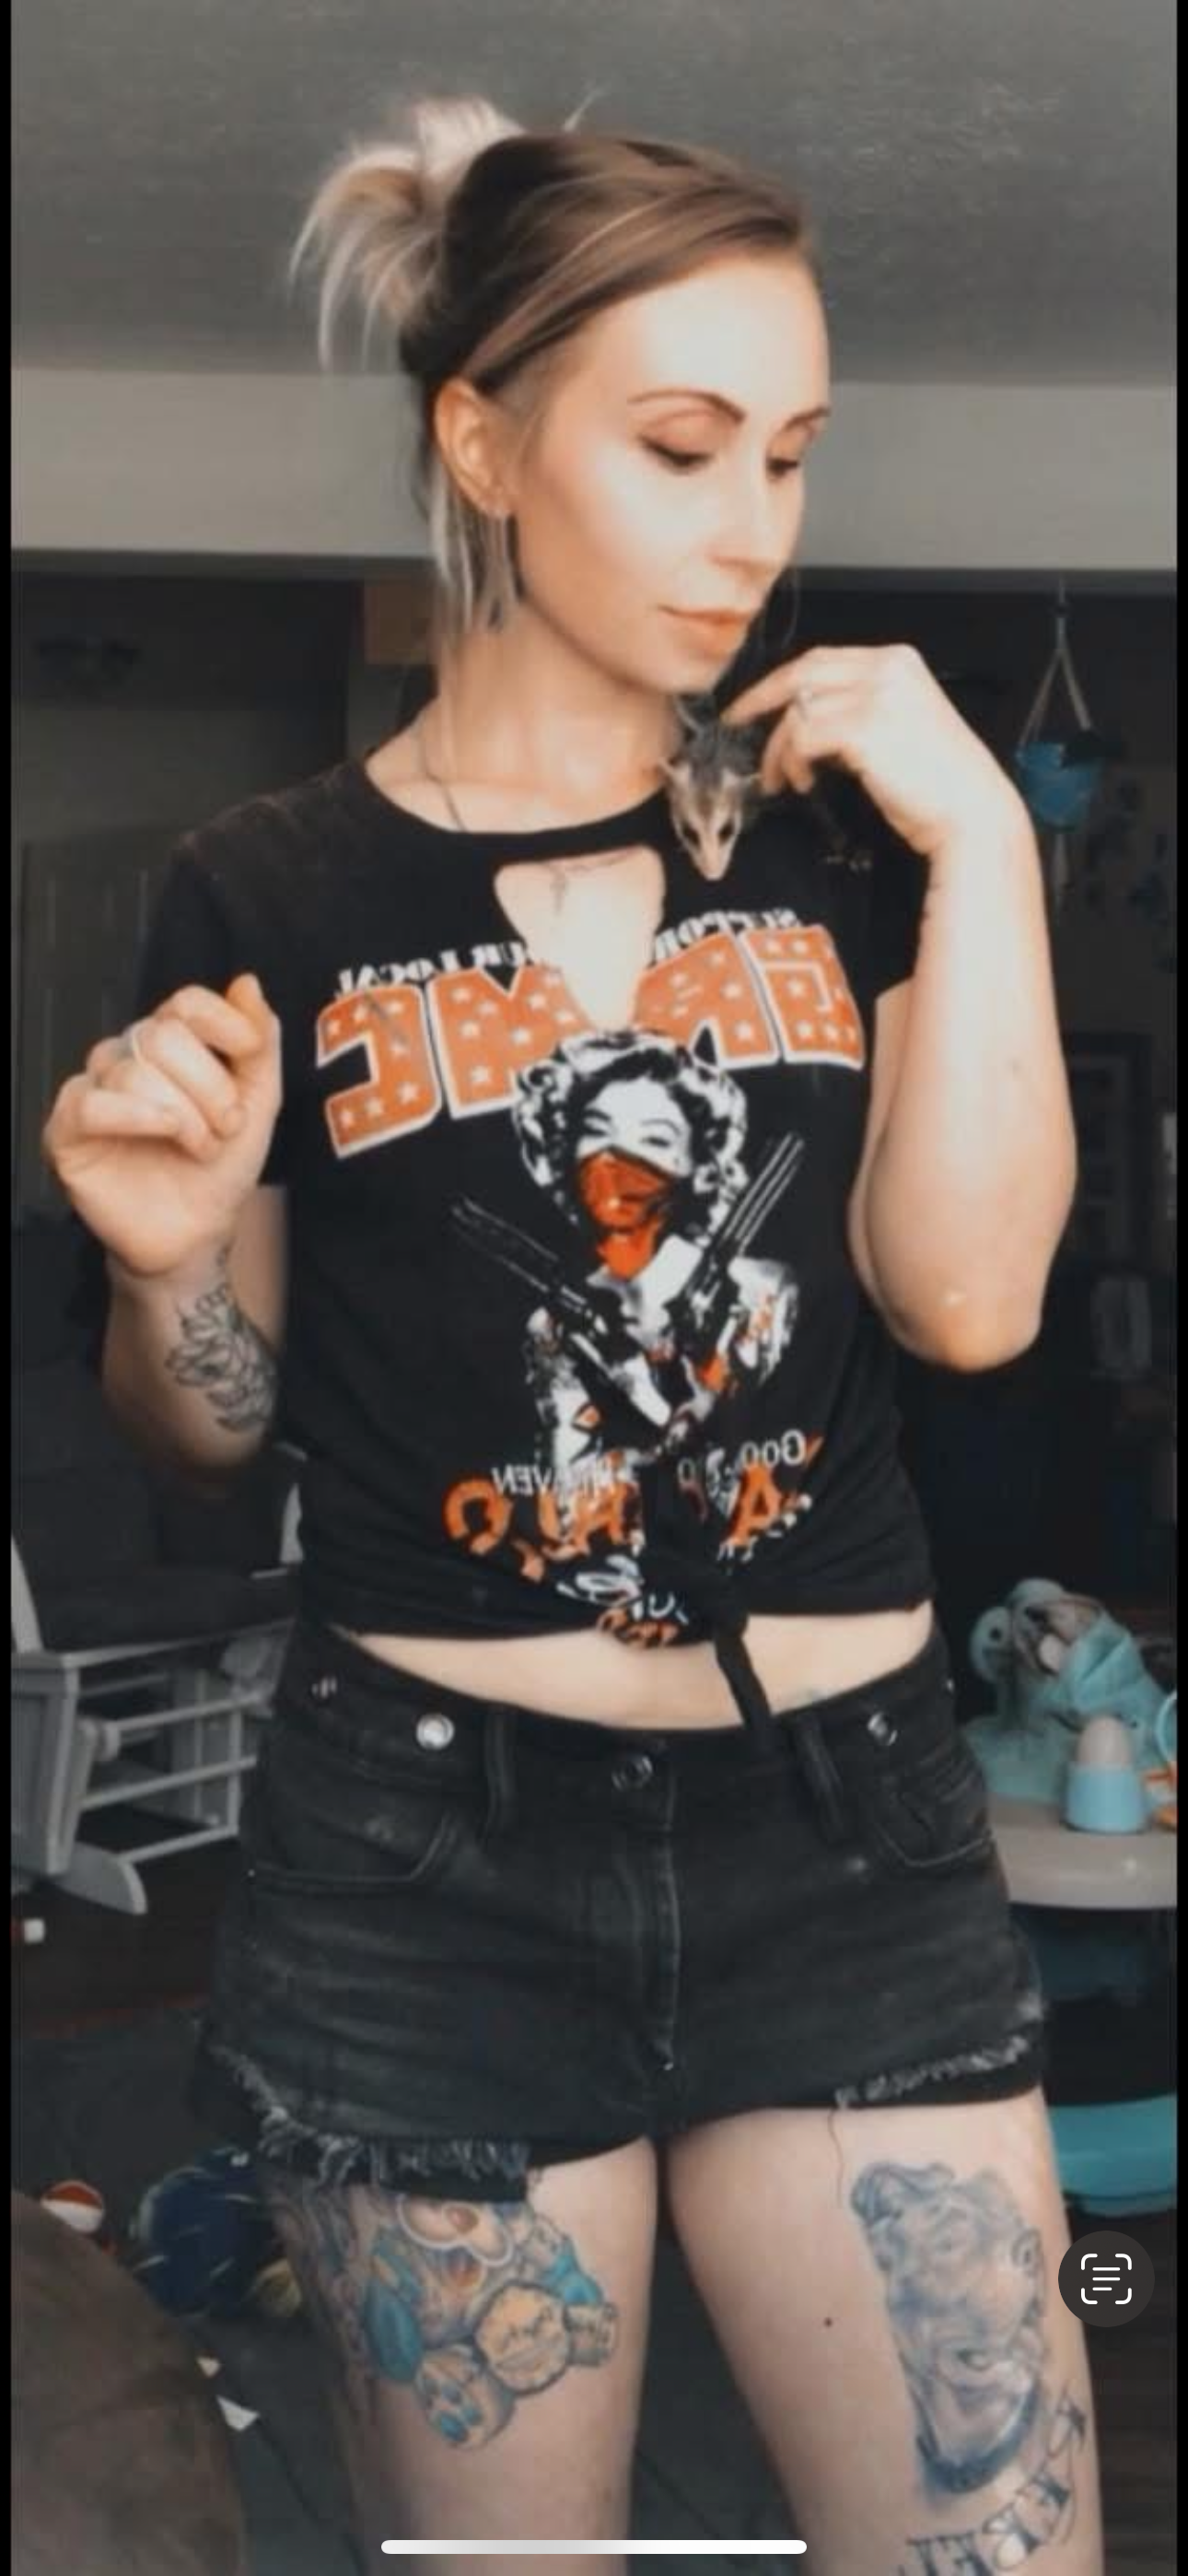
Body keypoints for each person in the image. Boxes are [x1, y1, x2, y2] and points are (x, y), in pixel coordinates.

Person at [42, 95, 1103, 2575]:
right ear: (482, 440)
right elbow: (208, 1434)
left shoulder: (856, 835)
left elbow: (968, 1301)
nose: (754, 526)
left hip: (851, 1834)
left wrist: (992, 850)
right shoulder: (266, 887)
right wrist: (167, 1263)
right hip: (424, 1872)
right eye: (681, 445)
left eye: (791, 454)